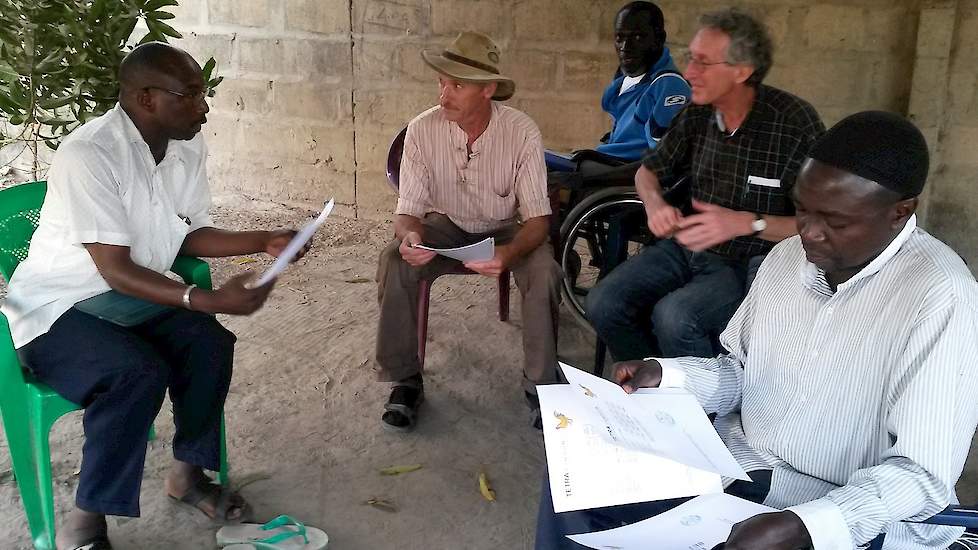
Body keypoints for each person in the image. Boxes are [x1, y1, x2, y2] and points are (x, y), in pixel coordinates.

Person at [537, 111, 978, 549]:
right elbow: (741, 372)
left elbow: (921, 476)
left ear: (899, 213)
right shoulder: (786, 260)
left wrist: (808, 526)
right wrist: (667, 374)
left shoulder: (941, 297)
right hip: (737, 471)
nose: (810, 233)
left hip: (838, 510)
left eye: (836, 222)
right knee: (571, 477)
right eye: (802, 211)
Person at [1, 43, 310, 550]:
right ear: (145, 98)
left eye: (202, 94)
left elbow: (182, 233)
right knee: (132, 372)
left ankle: (187, 477)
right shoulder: (90, 154)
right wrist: (201, 298)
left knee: (210, 345)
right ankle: (85, 526)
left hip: (130, 293)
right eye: (189, 95)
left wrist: (264, 240)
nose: (204, 106)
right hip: (60, 305)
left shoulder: (184, 143)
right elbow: (115, 268)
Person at [586, 9, 825, 360]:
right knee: (603, 302)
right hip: (686, 245)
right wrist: (655, 205)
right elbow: (647, 172)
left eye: (703, 62)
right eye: (690, 58)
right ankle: (655, 389)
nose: (688, 72)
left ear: (742, 71)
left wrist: (748, 222)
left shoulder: (793, 124)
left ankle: (705, 409)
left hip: (747, 262)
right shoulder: (698, 112)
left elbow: (821, 225)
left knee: (676, 317)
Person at [374, 31, 562, 432]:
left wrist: (508, 256)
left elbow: (537, 221)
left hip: (508, 231)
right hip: (447, 227)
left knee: (545, 270)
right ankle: (405, 379)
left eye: (457, 85)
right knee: (394, 260)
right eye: (442, 82)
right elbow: (408, 212)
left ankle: (541, 385)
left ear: (488, 89)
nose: (445, 94)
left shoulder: (522, 131)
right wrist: (409, 237)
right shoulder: (421, 130)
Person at [547, 1, 690, 188]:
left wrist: (588, 180)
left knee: (546, 173)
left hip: (624, 173)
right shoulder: (626, 80)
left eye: (637, 37)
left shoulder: (668, 86)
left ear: (658, 39)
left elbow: (663, 164)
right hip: (608, 161)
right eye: (619, 38)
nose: (625, 46)